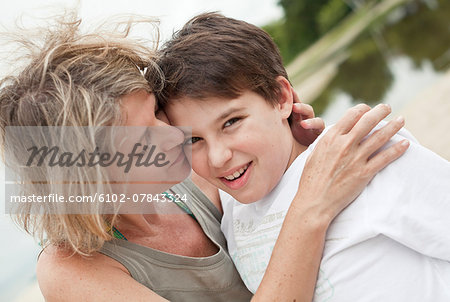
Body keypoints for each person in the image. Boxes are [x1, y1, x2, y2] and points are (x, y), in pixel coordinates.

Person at [0, 14, 407, 302]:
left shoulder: (181, 177)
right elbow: (301, 213)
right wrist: (309, 209)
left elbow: (259, 199)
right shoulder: (71, 271)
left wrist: (291, 148)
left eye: (158, 114)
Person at [157, 13, 450, 301]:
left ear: (282, 98)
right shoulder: (233, 210)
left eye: (231, 122)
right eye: (194, 140)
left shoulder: (361, 157)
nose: (218, 157)